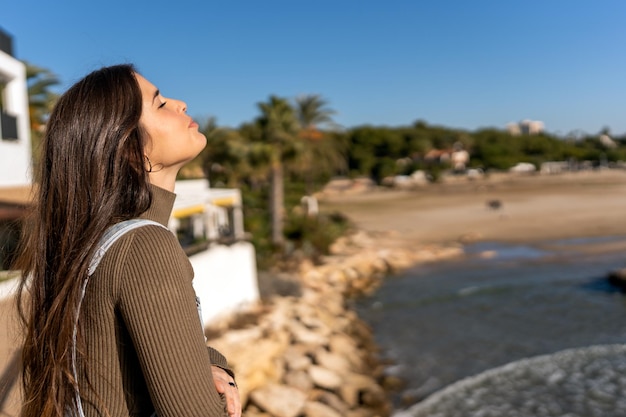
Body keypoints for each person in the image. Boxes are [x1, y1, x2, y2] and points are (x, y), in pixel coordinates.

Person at [14, 64, 241, 417]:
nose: (180, 103)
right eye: (161, 104)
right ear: (130, 150)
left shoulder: (96, 245)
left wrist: (210, 364)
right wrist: (222, 382)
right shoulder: (146, 246)